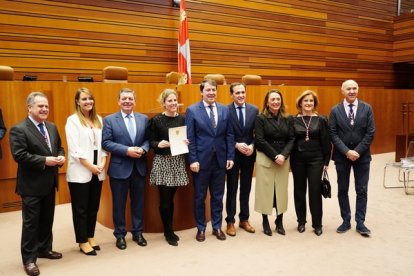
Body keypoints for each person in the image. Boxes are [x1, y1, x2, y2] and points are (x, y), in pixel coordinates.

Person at [9, 92, 65, 276]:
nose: (44, 109)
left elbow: (59, 147)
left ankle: (44, 249)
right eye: (40, 106)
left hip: (50, 182)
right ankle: (29, 260)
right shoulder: (19, 129)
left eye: (46, 106)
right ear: (30, 107)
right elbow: (20, 155)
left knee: (47, 219)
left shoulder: (52, 126)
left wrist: (61, 156)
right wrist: (45, 160)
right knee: (31, 224)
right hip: (31, 185)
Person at [186, 79, 235, 242]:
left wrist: (230, 156)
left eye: (214, 90)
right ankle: (201, 228)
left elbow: (229, 134)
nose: (211, 92)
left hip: (220, 160)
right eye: (208, 90)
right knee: (200, 196)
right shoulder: (192, 110)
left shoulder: (224, 109)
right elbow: (190, 137)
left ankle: (216, 227)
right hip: (200, 161)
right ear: (201, 92)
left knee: (218, 196)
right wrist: (192, 159)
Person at [102, 88, 149, 250]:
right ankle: (120, 235)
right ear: (118, 101)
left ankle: (137, 232)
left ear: (135, 101)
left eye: (130, 98)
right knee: (119, 204)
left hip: (139, 168)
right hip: (119, 169)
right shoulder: (109, 120)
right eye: (124, 98)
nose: (127, 101)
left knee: (138, 202)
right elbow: (106, 142)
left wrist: (144, 149)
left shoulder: (143, 119)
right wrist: (127, 151)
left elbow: (147, 140)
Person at [329, 80, 375, 236]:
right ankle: (346, 220)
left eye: (354, 88)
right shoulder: (335, 110)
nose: (352, 91)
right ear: (342, 91)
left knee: (361, 190)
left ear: (358, 90)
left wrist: (357, 151)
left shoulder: (367, 108)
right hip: (342, 157)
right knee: (342, 189)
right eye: (348, 88)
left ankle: (360, 223)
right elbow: (333, 134)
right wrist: (347, 151)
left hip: (362, 158)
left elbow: (370, 133)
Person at [65, 88, 107, 255]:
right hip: (81, 171)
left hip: (98, 169)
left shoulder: (98, 119)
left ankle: (90, 236)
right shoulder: (73, 121)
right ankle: (82, 241)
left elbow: (103, 145)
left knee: (93, 207)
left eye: (90, 98)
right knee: (80, 208)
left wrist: (102, 163)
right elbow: (75, 150)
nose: (88, 102)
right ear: (77, 101)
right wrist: (91, 167)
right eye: (84, 99)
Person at [147, 89, 189, 246]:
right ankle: (168, 231)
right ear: (163, 103)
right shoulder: (156, 120)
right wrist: (158, 144)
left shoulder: (183, 119)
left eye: (175, 100)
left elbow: (187, 138)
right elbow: (150, 141)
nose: (173, 104)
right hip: (162, 162)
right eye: (169, 101)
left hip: (178, 161)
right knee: (165, 200)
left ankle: (169, 228)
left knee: (171, 198)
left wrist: (187, 142)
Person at [290, 90, 330, 236]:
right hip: (297, 159)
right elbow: (290, 140)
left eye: (311, 101)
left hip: (316, 159)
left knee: (315, 191)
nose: (308, 103)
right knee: (299, 190)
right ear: (300, 103)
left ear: (315, 103)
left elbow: (326, 141)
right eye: (305, 101)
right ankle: (301, 221)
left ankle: (317, 224)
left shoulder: (321, 120)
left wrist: (326, 161)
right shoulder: (293, 120)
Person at [254, 89, 294, 236]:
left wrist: (283, 155)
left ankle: (280, 220)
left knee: (281, 192)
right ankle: (265, 220)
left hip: (283, 160)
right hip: (266, 158)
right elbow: (260, 139)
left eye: (278, 99)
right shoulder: (260, 118)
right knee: (265, 191)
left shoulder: (288, 118)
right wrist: (275, 156)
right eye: (273, 99)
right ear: (267, 102)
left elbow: (292, 139)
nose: (276, 102)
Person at [225, 82, 258, 236]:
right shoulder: (225, 110)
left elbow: (258, 134)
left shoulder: (254, 110)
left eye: (243, 92)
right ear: (231, 95)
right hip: (232, 155)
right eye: (237, 93)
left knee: (246, 188)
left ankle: (244, 219)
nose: (241, 95)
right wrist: (235, 145)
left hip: (248, 155)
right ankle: (230, 221)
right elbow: (223, 134)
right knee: (232, 188)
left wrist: (252, 146)